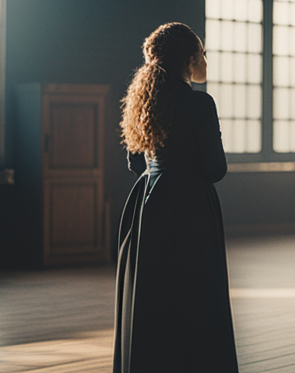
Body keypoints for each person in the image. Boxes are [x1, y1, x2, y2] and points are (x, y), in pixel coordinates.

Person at [114, 23, 239, 372]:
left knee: (154, 296)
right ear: (189, 59)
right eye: (202, 53)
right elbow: (216, 169)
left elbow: (135, 162)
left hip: (149, 206)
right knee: (194, 296)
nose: (205, 60)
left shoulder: (145, 101)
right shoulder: (200, 103)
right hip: (190, 208)